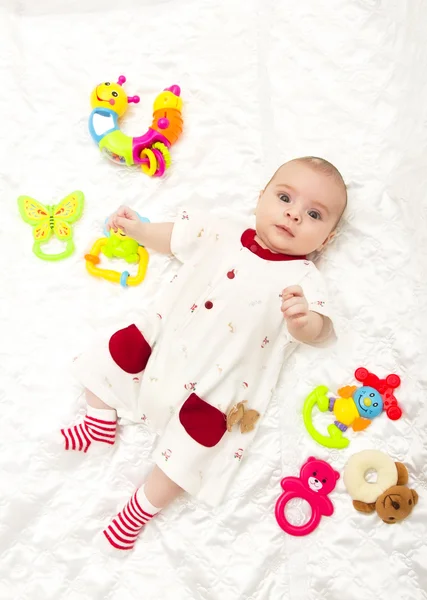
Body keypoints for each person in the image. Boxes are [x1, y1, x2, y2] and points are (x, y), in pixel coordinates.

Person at [62, 156, 347, 551]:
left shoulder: (303, 280)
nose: (293, 215)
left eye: (314, 214)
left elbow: (321, 330)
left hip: (218, 385)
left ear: (327, 239)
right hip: (161, 345)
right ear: (260, 197)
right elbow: (175, 237)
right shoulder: (221, 231)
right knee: (113, 354)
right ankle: (98, 423)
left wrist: (303, 321)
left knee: (194, 452)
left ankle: (139, 509)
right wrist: (138, 229)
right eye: (284, 197)